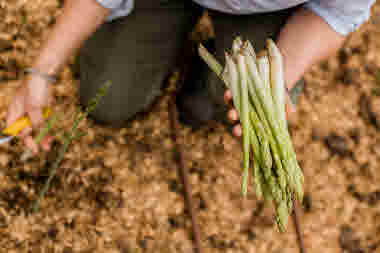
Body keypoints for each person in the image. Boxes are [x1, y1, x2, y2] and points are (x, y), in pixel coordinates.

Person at [6, 0, 375, 154]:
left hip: (268, 10)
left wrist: (282, 71)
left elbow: (336, 11)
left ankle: (207, 79)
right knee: (109, 98)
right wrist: (42, 71)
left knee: (227, 103)